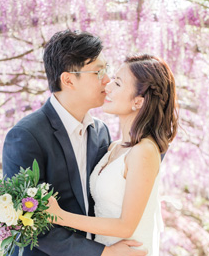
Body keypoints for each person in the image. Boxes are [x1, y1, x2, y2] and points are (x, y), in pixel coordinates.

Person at [2, 30, 147, 256]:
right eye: (98, 72)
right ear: (68, 79)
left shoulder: (100, 132)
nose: (107, 80)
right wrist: (103, 253)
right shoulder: (26, 136)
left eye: (106, 70)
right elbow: (29, 223)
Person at [46, 54, 179, 256]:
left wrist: (58, 216)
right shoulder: (114, 147)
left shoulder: (144, 151)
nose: (107, 85)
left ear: (138, 102)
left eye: (117, 83)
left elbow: (125, 226)